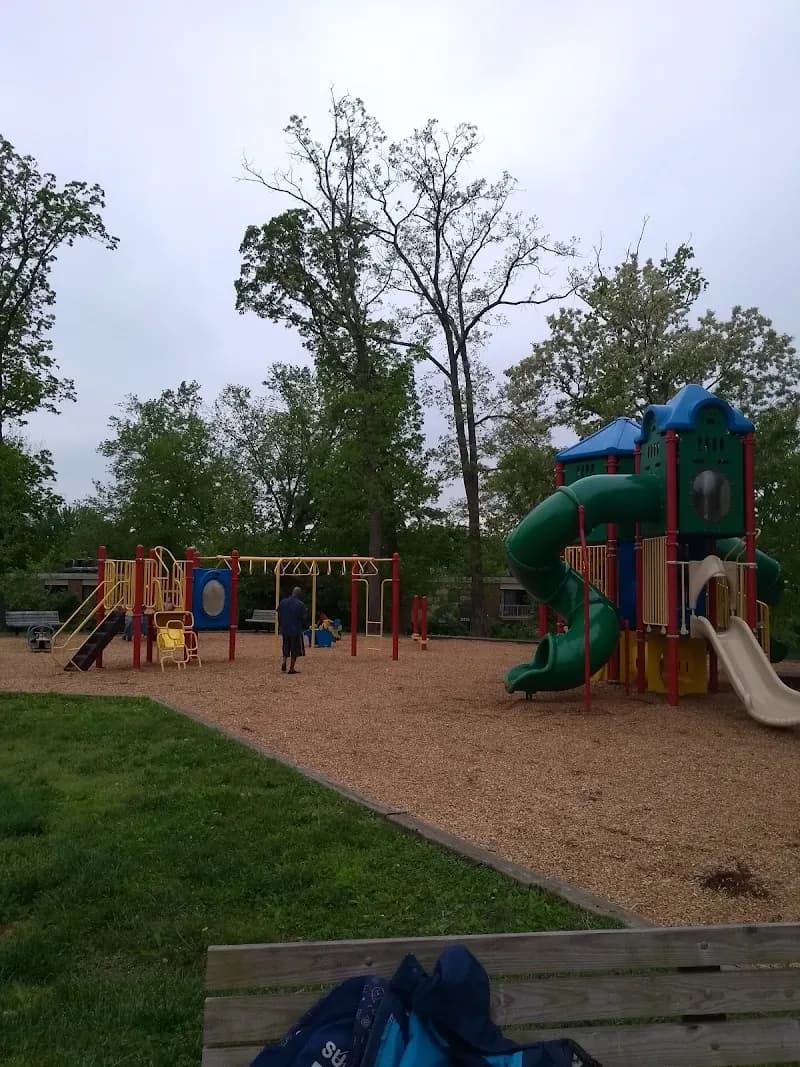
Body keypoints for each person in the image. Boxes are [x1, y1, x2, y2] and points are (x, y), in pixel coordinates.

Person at [278, 586, 306, 674]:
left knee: (285, 646)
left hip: (285, 628)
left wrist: (281, 625)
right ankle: (291, 668)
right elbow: (302, 617)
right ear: (299, 594)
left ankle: (284, 662)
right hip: (295, 630)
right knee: (295, 649)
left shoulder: (283, 602)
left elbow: (279, 614)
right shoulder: (300, 604)